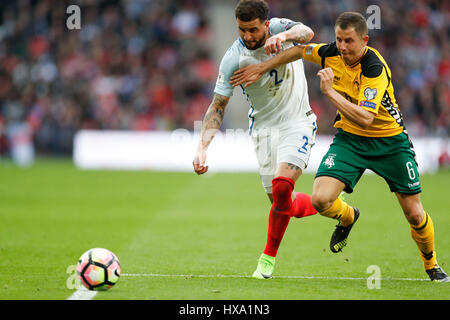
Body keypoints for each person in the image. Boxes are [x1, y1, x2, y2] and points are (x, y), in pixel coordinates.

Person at [229, 12, 449, 282]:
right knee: (321, 200)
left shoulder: (373, 68)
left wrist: (330, 92)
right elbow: (299, 50)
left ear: (364, 40)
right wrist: (262, 67)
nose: (342, 47)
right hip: (350, 141)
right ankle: (347, 216)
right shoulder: (331, 52)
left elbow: (367, 119)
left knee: (414, 214)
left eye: (349, 41)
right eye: (339, 40)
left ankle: (432, 265)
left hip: (390, 142)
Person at [192, 0, 318, 279]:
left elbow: (307, 35)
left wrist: (282, 36)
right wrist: (202, 147)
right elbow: (218, 104)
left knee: (283, 186)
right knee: (281, 202)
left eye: (252, 30)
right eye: (241, 30)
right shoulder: (233, 57)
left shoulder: (280, 29)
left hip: (298, 121)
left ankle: (267, 260)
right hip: (263, 130)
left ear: (265, 24)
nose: (247, 36)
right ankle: (328, 204)